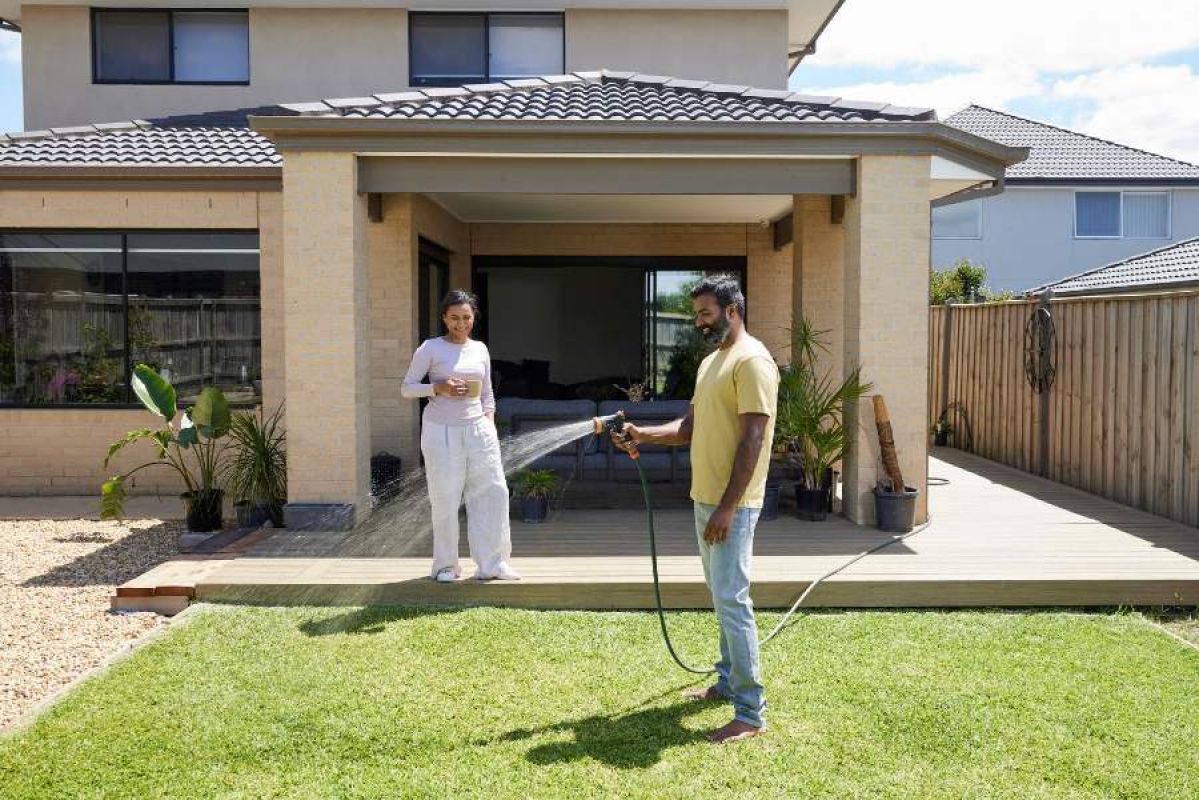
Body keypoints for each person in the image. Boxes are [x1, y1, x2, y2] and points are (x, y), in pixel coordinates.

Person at [613, 274, 778, 744]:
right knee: (721, 595)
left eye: (706, 314)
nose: (699, 322)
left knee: (732, 599)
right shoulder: (712, 363)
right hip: (705, 497)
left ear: (732, 309)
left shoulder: (752, 362)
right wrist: (645, 434)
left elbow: (753, 437)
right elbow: (690, 426)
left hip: (733, 504)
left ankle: (750, 712)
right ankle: (727, 682)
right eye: (697, 315)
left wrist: (728, 507)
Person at [401, 289, 520, 583]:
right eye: (454, 318)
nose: (461, 323)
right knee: (445, 498)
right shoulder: (430, 348)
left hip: (479, 431)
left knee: (493, 493)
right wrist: (438, 388)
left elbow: (488, 393)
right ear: (444, 318)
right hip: (441, 431)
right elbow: (407, 387)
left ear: (473, 318)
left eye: (466, 317)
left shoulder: (480, 349)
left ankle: (493, 564)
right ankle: (445, 567)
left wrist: (488, 423)